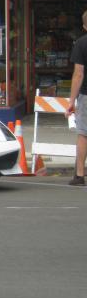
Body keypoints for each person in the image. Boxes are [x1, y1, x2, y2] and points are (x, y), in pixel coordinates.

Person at [65, 10, 87, 186]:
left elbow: (78, 74)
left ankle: (79, 175)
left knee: (83, 134)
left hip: (86, 95)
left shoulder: (81, 44)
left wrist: (71, 101)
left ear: (85, 25)